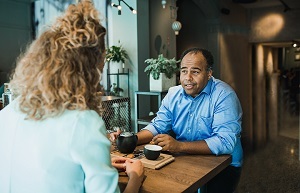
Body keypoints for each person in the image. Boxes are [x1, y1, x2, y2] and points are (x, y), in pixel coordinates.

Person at [0, 1, 144, 193]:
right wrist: (136, 176)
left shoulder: (8, 113)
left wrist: (101, 161)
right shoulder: (83, 122)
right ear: (88, 71)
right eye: (99, 70)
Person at [136, 47, 243, 193]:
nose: (188, 77)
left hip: (224, 163)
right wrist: (132, 139)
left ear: (209, 73)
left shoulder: (224, 95)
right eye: (184, 71)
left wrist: (179, 146)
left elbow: (225, 142)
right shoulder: (173, 94)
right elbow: (159, 125)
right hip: (187, 158)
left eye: (195, 71)